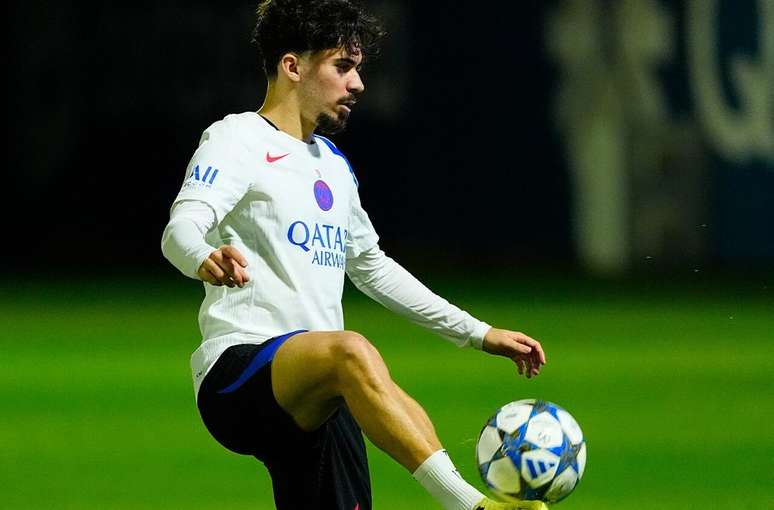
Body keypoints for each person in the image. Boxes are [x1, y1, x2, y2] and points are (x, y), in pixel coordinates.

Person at [161, 1, 547, 509]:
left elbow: (373, 268)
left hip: (322, 394)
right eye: (343, 66)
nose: (358, 83)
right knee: (351, 352)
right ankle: (471, 505)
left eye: (358, 69)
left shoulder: (333, 165)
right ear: (292, 66)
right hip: (241, 372)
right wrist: (202, 255)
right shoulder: (238, 138)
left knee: (353, 370)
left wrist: (478, 332)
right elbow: (180, 228)